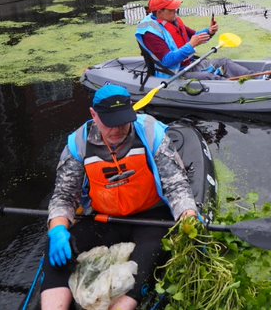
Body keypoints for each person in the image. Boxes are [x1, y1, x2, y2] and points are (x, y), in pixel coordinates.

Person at [41, 84, 198, 309]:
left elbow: (177, 186)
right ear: (93, 115)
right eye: (109, 123)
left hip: (150, 219)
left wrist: (188, 215)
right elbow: (64, 197)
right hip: (104, 219)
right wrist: (57, 229)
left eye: (123, 121)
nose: (117, 129)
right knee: (56, 250)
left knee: (148, 257)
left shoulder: (152, 134)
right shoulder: (78, 144)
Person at [136, 0, 252, 80]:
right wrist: (191, 45)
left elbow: (194, 36)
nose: (175, 11)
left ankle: (256, 79)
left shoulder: (171, 20)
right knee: (209, 77)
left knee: (224, 62)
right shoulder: (150, 33)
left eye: (175, 8)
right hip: (173, 73)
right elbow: (167, 61)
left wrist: (209, 31)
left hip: (189, 63)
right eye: (171, 9)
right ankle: (241, 88)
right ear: (159, 12)